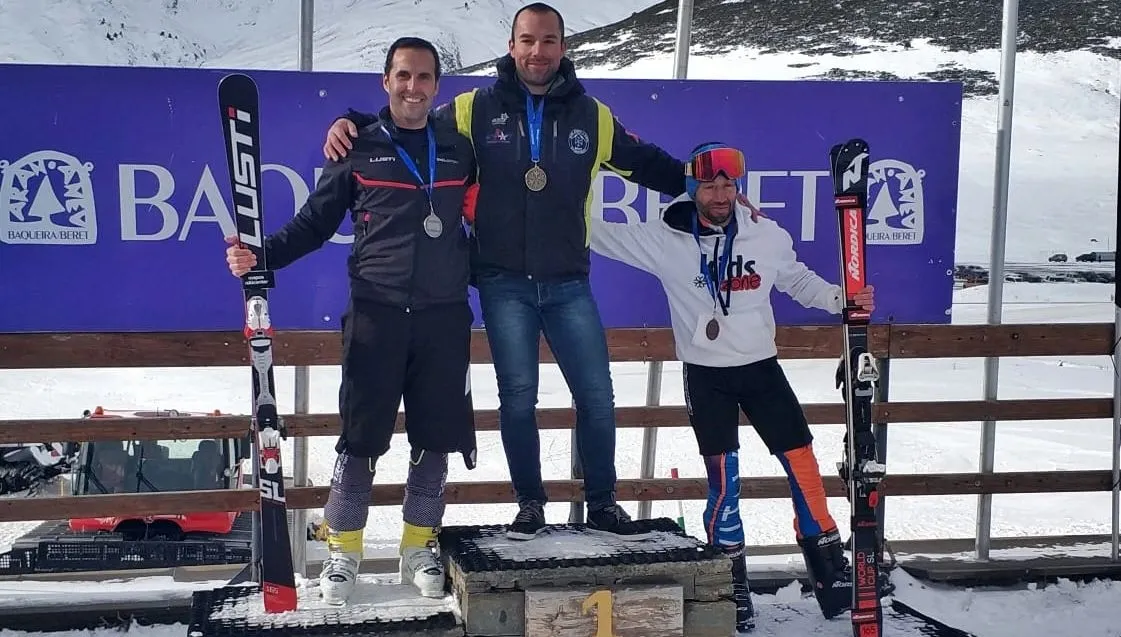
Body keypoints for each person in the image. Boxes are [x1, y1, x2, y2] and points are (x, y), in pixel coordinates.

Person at [321, 3, 686, 541]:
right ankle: (530, 504)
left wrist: (701, 185)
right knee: (518, 398)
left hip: (568, 282)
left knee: (597, 396)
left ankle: (603, 502)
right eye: (527, 41)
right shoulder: (474, 108)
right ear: (511, 46)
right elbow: (407, 120)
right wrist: (352, 119)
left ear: (563, 47)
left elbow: (648, 162)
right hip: (501, 281)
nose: (537, 52)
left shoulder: (592, 114)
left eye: (548, 41)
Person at [224, 36, 477, 605]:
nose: (413, 87)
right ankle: (344, 549)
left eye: (424, 77)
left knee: (435, 439)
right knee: (360, 439)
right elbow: (313, 223)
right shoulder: (357, 149)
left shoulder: (460, 150)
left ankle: (419, 545)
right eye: (403, 76)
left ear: (438, 86)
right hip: (376, 314)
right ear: (386, 81)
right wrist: (259, 256)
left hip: (443, 318)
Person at [587, 142, 876, 620]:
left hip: (762, 367)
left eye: (727, 184)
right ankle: (730, 584)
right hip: (706, 376)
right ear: (691, 188)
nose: (720, 194)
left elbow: (797, 281)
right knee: (725, 483)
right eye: (709, 185)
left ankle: (830, 572)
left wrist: (841, 299)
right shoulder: (664, 239)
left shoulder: (765, 233)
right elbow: (596, 234)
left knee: (802, 465)